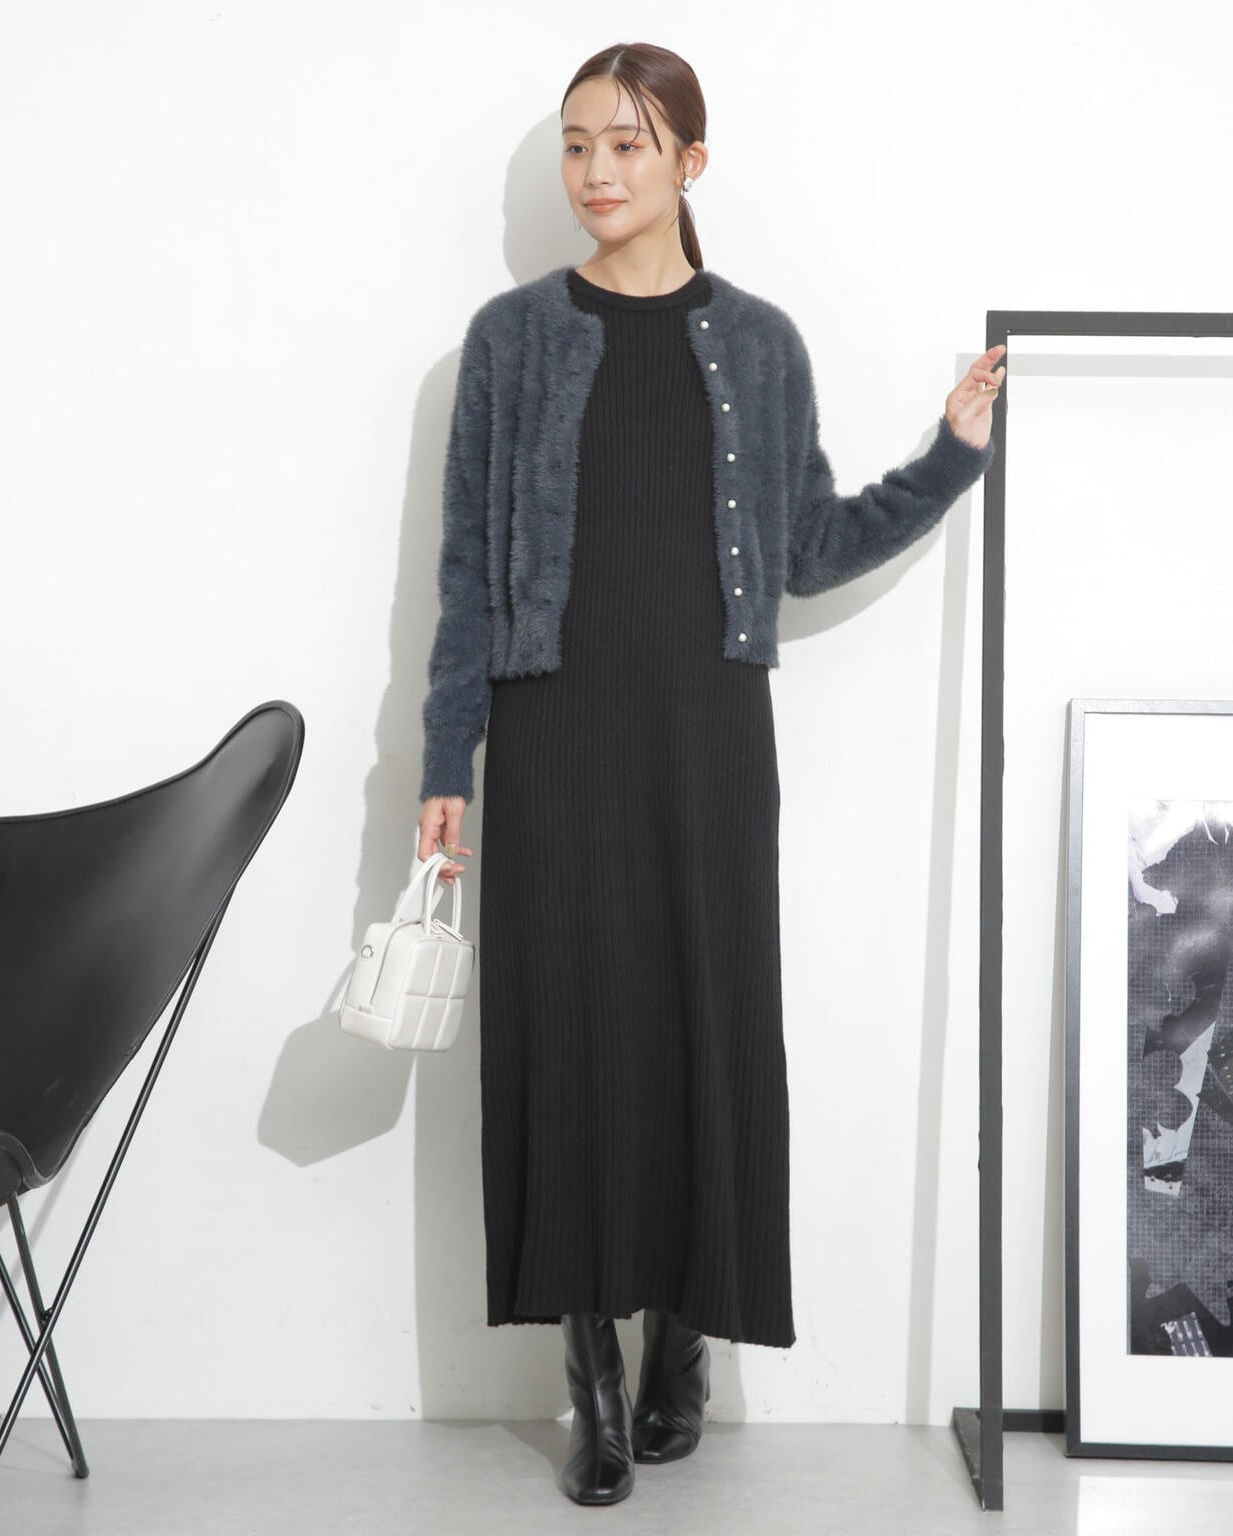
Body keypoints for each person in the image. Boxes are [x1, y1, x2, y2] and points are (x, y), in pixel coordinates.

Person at [416, 41, 1002, 1507]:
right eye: (576, 144)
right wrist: (445, 756)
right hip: (554, 729)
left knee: (703, 1019)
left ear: (688, 161)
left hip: (707, 731)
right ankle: (592, 1382)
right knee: (566, 1031)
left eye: (627, 143)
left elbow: (806, 547)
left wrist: (947, 458)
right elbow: (469, 576)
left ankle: (680, 1341)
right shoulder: (509, 342)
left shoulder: (760, 343)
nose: (595, 172)